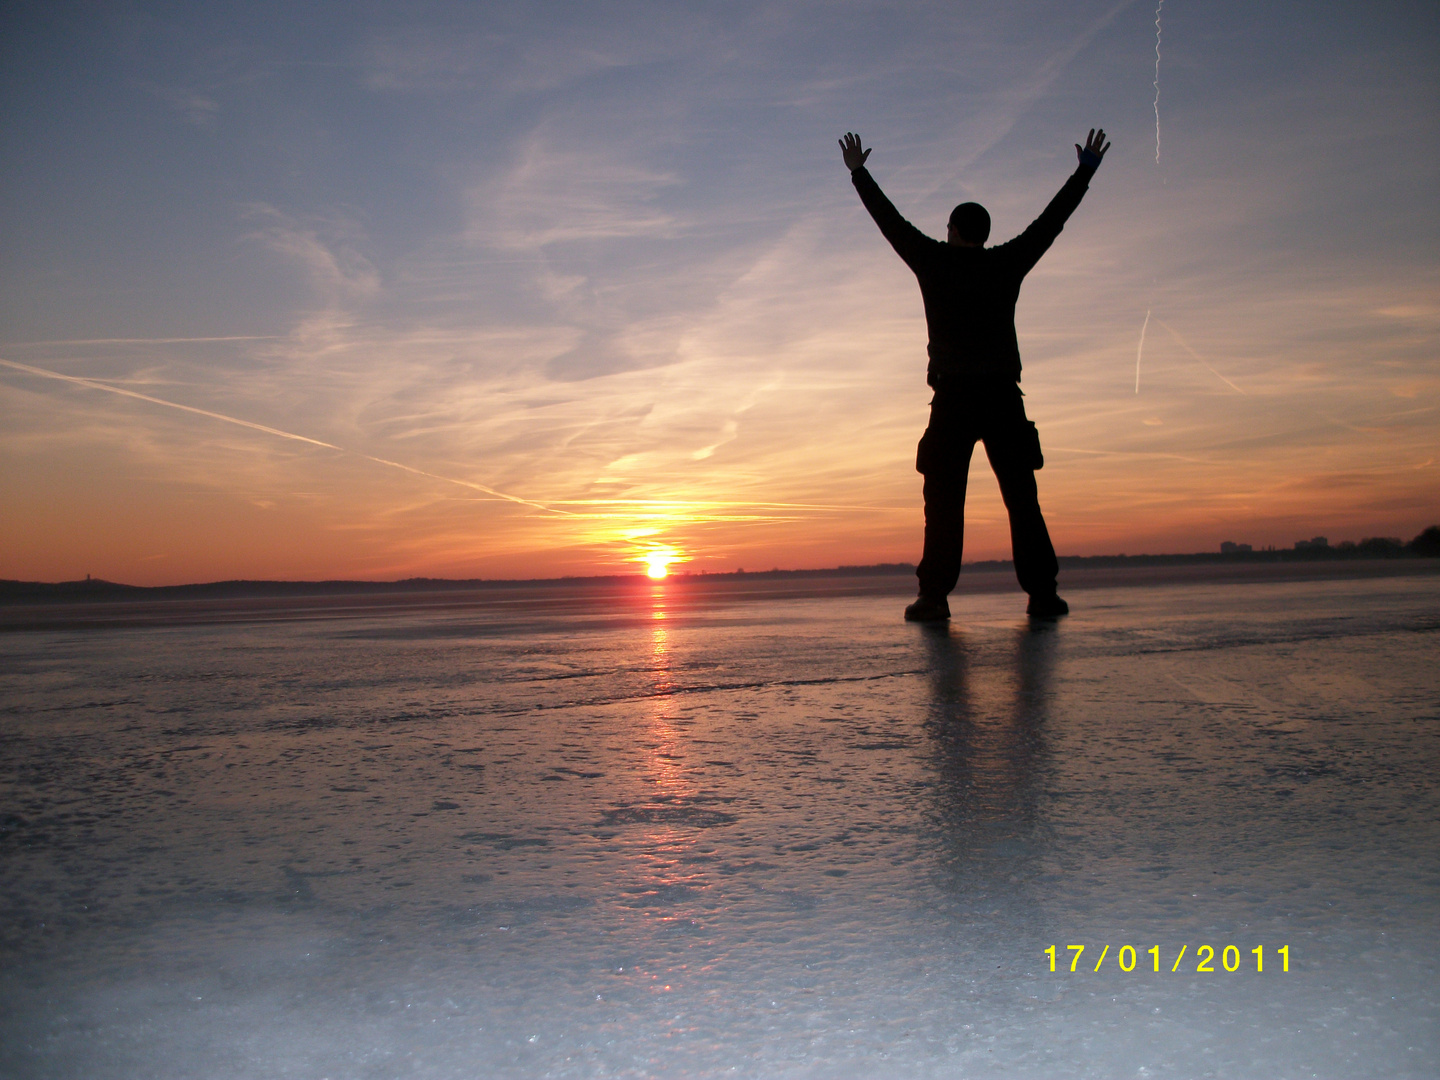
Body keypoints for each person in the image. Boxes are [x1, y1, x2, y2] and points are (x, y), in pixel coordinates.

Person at [839, 128, 1110, 621]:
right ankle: (1042, 593)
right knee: (1021, 498)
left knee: (944, 501)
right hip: (1002, 398)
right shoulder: (1006, 262)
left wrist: (859, 172)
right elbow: (1051, 222)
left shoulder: (934, 261)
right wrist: (1084, 171)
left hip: (956, 399)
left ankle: (935, 595)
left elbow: (890, 223)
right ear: (982, 233)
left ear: (953, 230)